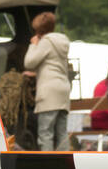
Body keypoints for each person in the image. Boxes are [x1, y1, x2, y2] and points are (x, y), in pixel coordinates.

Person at [22, 11, 71, 151]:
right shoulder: (62, 41)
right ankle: (65, 163)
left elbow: (29, 62)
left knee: (45, 132)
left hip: (49, 92)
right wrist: (36, 73)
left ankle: (47, 163)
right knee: (62, 132)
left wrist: (34, 44)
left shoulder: (46, 42)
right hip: (63, 88)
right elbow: (52, 63)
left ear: (39, 31)